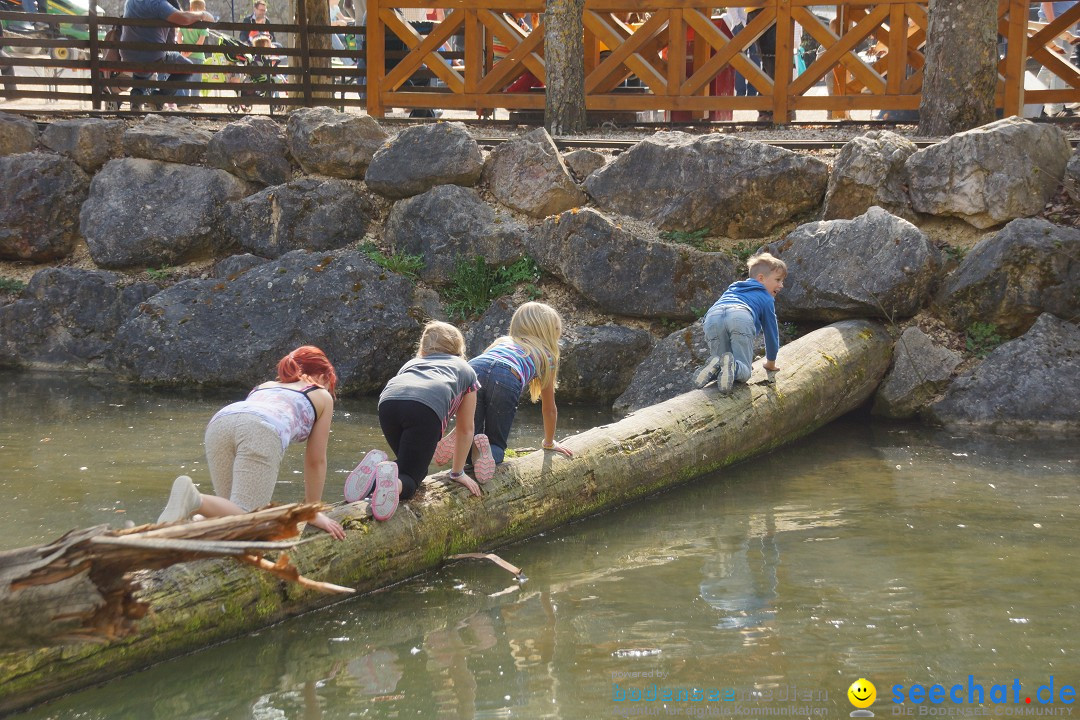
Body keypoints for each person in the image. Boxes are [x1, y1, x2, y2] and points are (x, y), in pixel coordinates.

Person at [157, 346, 346, 540]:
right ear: (323, 375)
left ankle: (191, 522)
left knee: (230, 518)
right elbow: (316, 460)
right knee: (251, 523)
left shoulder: (264, 386)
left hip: (220, 423)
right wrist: (312, 511)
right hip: (261, 428)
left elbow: (246, 416)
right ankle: (195, 499)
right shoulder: (321, 395)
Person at [348, 321, 482, 522]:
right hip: (424, 408)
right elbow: (465, 429)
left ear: (423, 347)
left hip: (388, 403)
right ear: (458, 348)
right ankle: (388, 480)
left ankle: (372, 479)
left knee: (404, 463)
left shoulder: (411, 364)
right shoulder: (466, 369)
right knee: (412, 476)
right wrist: (457, 473)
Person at [433, 302, 573, 479]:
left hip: (472, 369)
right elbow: (549, 408)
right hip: (507, 376)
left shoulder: (502, 341)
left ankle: (460, 435)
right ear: (548, 333)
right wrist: (549, 442)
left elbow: (487, 368)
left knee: (470, 433)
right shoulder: (546, 357)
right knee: (496, 447)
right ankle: (487, 452)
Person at [693, 252, 787, 394]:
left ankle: (713, 365)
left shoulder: (734, 287)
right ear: (761, 278)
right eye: (778, 280)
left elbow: (723, 308)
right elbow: (771, 333)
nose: (781, 285)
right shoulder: (766, 299)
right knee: (744, 371)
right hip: (740, 315)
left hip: (712, 316)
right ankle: (737, 367)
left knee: (722, 362)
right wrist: (771, 363)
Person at [120, 0, 214, 102]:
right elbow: (184, 19)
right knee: (188, 67)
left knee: (143, 61)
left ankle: (136, 97)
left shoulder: (130, 2)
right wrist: (203, 15)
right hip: (152, 55)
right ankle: (158, 98)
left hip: (127, 54)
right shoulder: (158, 4)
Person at [1039, 1, 1079, 117]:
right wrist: (1054, 25)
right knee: (1050, 64)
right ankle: (1032, 103)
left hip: (1070, 22)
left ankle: (1057, 107)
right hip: (1054, 21)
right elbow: (1047, 2)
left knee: (1062, 65)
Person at [177, 0, 212, 107]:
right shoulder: (202, 25)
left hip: (184, 56)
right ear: (203, 10)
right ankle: (195, 103)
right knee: (196, 81)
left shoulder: (185, 21)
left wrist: (184, 50)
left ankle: (185, 102)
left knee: (186, 80)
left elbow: (178, 36)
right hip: (197, 56)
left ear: (191, 9)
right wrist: (191, 51)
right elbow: (200, 42)